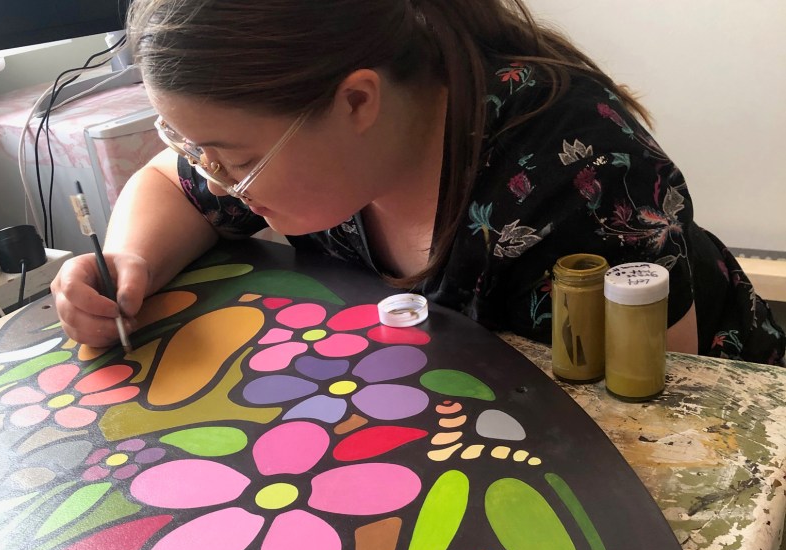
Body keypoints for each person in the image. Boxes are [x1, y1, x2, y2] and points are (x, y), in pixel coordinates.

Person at [51, 0, 785, 363]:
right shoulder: (317, 147)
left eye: (233, 158)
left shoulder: (583, 179)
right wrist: (130, 262)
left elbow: (654, 410)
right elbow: (172, 184)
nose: (218, 178)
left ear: (356, 102)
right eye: (195, 147)